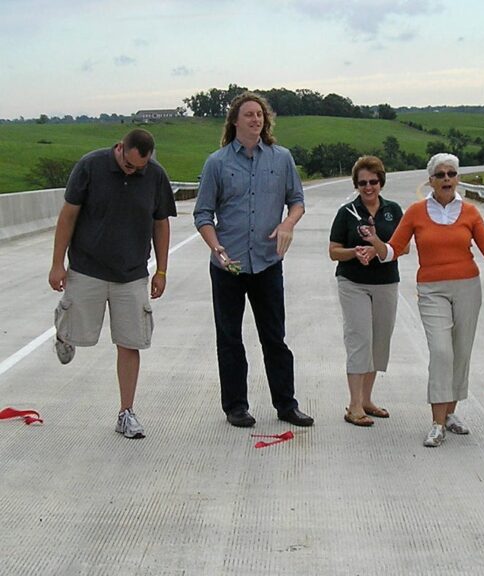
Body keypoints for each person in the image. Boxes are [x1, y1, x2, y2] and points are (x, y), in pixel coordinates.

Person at [360, 153, 484, 447]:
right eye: (441, 175)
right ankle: (437, 423)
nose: (447, 179)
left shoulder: (471, 213)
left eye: (451, 173)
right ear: (431, 181)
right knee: (441, 352)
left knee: (460, 351)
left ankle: (450, 413)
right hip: (432, 290)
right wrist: (375, 243)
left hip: (467, 287)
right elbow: (392, 251)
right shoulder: (415, 212)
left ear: (457, 178)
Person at [194, 91, 313, 429]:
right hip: (227, 265)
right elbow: (203, 213)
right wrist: (216, 248)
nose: (255, 120)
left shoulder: (281, 159)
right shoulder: (217, 163)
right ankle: (236, 407)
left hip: (267, 262)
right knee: (230, 338)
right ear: (235, 121)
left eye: (260, 115)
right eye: (248, 114)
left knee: (274, 337)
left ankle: (286, 404)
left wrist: (288, 223)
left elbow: (298, 201)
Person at [49, 128, 176, 439]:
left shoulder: (155, 177)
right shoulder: (90, 167)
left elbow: (161, 224)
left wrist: (161, 271)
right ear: (120, 148)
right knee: (77, 332)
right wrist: (57, 264)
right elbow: (68, 216)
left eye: (141, 167)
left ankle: (126, 412)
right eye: (130, 165)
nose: (134, 171)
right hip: (87, 268)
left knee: (131, 342)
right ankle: (64, 334)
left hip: (131, 274)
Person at [329, 156, 404, 427]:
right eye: (362, 183)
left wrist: (378, 248)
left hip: (386, 282)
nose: (368, 187)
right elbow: (333, 251)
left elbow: (403, 246)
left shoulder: (393, 211)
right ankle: (354, 404)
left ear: (381, 181)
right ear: (356, 185)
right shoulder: (346, 212)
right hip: (354, 282)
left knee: (379, 341)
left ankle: (367, 399)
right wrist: (355, 252)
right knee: (359, 338)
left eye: (373, 181)